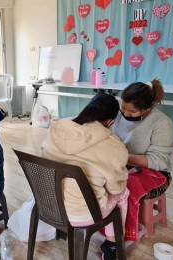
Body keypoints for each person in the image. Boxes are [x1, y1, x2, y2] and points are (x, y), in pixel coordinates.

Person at [40, 93, 129, 260]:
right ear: (110, 121)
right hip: (82, 215)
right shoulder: (114, 146)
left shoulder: (57, 127)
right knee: (123, 194)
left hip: (48, 205)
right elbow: (116, 188)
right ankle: (112, 246)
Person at [110, 79, 173, 199]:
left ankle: (124, 217)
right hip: (120, 163)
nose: (125, 114)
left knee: (121, 187)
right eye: (123, 107)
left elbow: (158, 160)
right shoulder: (118, 113)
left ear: (148, 108)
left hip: (152, 171)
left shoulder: (161, 123)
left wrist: (120, 157)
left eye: (132, 111)